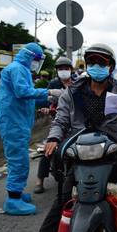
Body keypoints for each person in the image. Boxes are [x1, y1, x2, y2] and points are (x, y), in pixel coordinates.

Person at [6, 43, 117, 232]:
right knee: (60, 205)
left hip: (112, 152)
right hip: (79, 154)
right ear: (87, 66)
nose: (97, 67)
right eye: (93, 63)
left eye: (102, 63)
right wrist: (53, 139)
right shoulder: (73, 92)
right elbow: (60, 120)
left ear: (110, 67)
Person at [0, 43, 61, 215]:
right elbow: (23, 92)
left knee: (18, 158)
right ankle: (13, 200)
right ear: (31, 57)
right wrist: (49, 93)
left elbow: (26, 96)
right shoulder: (18, 69)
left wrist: (46, 99)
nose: (36, 63)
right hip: (13, 122)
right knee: (19, 160)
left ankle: (16, 193)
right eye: (37, 60)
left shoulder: (19, 68)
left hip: (15, 120)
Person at [34, 57, 75, 194]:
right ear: (57, 71)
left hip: (75, 123)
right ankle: (39, 181)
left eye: (66, 68)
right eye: (60, 69)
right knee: (49, 147)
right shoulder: (53, 84)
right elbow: (46, 100)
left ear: (71, 70)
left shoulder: (77, 84)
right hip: (58, 121)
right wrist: (45, 108)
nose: (63, 71)